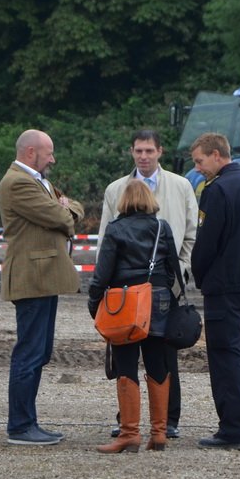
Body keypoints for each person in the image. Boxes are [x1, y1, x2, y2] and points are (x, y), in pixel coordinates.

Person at [98, 129, 198, 439]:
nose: (143, 156)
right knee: (124, 355)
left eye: (149, 151)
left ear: (160, 152)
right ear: (132, 152)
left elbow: (192, 233)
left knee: (164, 354)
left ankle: (167, 421)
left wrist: (179, 272)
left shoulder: (181, 187)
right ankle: (127, 421)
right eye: (139, 150)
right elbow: (105, 238)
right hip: (125, 291)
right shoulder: (116, 189)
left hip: (163, 287)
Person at [0, 129, 84, 446]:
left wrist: (66, 208)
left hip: (43, 277)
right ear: (31, 152)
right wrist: (66, 209)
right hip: (32, 277)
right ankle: (20, 426)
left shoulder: (37, 180)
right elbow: (63, 217)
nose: (53, 158)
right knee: (30, 353)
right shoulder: (18, 182)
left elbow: (68, 210)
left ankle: (27, 422)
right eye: (49, 153)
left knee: (39, 351)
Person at [189, 132, 240, 451]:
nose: (198, 169)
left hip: (225, 287)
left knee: (227, 358)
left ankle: (234, 429)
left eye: (200, 161)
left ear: (216, 155)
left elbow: (207, 242)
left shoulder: (217, 190)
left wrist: (199, 274)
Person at [89, 180, 181, 453]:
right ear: (150, 200)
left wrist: (95, 303)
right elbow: (173, 268)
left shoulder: (116, 229)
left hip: (126, 303)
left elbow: (102, 273)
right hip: (158, 300)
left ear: (124, 201)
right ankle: (160, 433)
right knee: (157, 364)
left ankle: (129, 434)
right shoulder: (162, 228)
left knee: (126, 365)